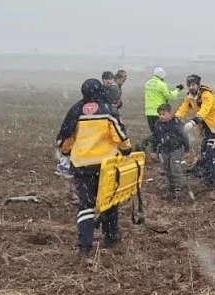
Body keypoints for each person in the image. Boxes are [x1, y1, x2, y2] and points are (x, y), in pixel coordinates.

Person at [56, 78, 132, 262]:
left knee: (85, 206)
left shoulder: (75, 110)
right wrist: (126, 149)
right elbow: (119, 135)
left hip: (82, 166)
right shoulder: (108, 110)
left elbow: (65, 139)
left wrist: (67, 151)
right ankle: (111, 237)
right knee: (109, 201)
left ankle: (85, 245)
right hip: (107, 166)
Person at [176, 74, 215, 191]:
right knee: (204, 149)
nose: (191, 87)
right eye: (189, 85)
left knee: (210, 149)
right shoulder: (189, 97)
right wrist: (176, 118)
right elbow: (183, 108)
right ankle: (211, 169)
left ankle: (210, 180)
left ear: (198, 85)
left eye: (193, 85)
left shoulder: (206, 95)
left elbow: (205, 109)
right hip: (207, 125)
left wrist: (193, 122)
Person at [153, 103, 190, 198]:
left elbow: (184, 136)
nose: (161, 116)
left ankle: (178, 189)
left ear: (170, 113)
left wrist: (187, 150)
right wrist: (154, 150)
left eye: (163, 114)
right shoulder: (158, 124)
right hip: (164, 150)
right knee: (167, 169)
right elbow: (156, 137)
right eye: (160, 114)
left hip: (176, 149)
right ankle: (171, 188)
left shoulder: (176, 123)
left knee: (175, 168)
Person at [144, 67, 183, 157]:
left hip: (149, 112)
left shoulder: (147, 83)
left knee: (155, 132)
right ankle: (156, 150)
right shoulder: (161, 84)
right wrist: (177, 89)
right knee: (161, 133)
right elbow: (170, 96)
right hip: (159, 112)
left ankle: (151, 149)